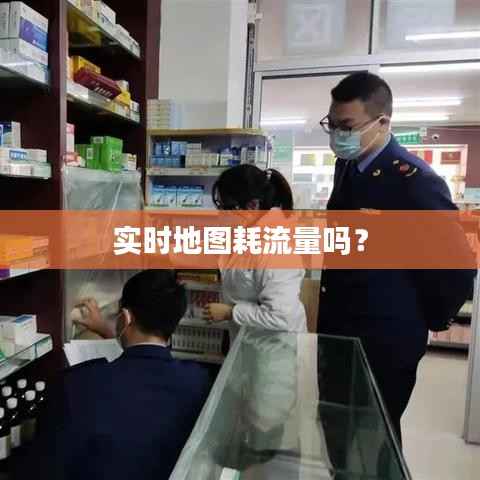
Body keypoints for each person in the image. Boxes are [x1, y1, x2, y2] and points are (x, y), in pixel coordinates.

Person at [317, 72, 475, 442]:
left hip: (384, 340)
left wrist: (423, 319)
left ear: (382, 122)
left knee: (373, 441)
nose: (337, 134)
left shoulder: (414, 181)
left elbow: (457, 267)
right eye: (332, 124)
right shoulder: (346, 167)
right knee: (337, 430)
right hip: (340, 331)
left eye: (346, 126)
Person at [23, 270, 212, 480]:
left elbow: (45, 467)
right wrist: (108, 331)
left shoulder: (76, 385)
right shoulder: (199, 381)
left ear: (125, 317)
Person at [203, 164, 307, 334]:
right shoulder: (246, 233)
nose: (221, 214)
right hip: (250, 340)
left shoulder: (276, 249)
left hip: (275, 345)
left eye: (227, 208)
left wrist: (231, 312)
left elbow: (282, 317)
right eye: (220, 207)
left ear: (252, 205)